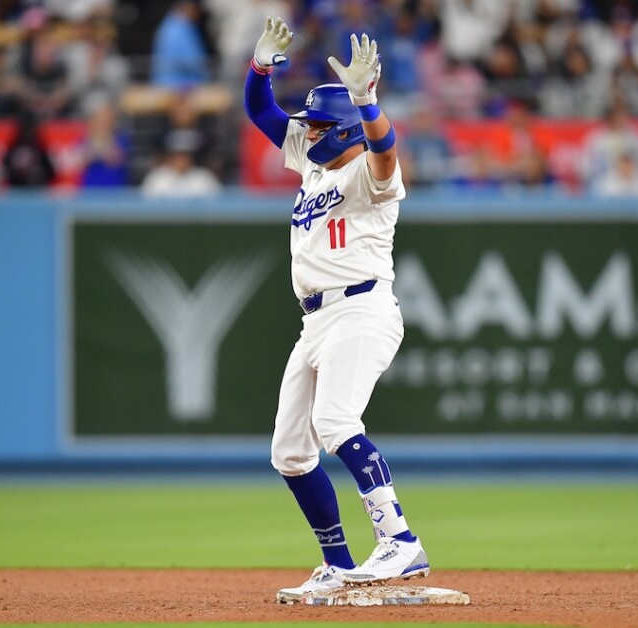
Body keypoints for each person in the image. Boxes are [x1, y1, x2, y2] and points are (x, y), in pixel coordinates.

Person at [243, 16, 429, 602]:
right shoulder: (314, 158)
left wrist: (368, 102)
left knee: (336, 423)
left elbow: (385, 149)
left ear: (345, 129)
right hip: (316, 319)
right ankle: (337, 565)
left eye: (321, 124)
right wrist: (259, 67)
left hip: (362, 309)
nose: (309, 131)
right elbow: (262, 112)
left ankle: (399, 540)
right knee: (290, 451)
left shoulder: (370, 175)